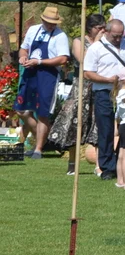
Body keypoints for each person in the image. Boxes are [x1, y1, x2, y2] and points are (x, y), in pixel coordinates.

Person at [84, 19, 125, 180]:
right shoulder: (96, 48)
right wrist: (109, 80)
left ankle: (120, 164)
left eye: (120, 36)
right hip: (104, 92)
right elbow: (87, 73)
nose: (118, 39)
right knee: (106, 129)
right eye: (115, 36)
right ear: (106, 32)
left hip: (124, 93)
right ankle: (107, 167)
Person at [49, 14, 105, 174]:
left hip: (99, 86)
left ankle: (99, 165)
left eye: (103, 28)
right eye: (98, 28)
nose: (102, 31)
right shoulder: (79, 41)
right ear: (90, 28)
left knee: (98, 125)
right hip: (81, 88)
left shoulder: (104, 43)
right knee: (75, 125)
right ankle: (72, 165)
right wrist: (96, 43)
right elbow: (85, 60)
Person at [15, 6, 71, 159]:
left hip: (48, 75)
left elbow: (63, 59)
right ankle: (45, 139)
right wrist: (22, 57)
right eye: (48, 22)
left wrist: (39, 61)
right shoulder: (33, 30)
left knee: (42, 113)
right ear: (42, 20)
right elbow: (23, 49)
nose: (51, 25)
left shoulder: (60, 36)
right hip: (30, 73)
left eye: (53, 23)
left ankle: (38, 148)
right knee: (21, 110)